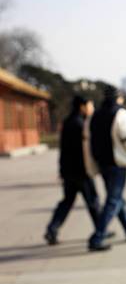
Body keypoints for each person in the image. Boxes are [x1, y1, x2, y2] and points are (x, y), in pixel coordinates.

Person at [85, 86, 126, 251]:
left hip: (102, 162)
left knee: (116, 197)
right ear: (118, 98)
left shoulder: (95, 115)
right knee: (113, 200)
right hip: (117, 164)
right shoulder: (122, 115)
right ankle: (97, 237)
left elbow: (87, 141)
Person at [44, 96, 101, 245]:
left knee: (67, 201)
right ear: (82, 106)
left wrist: (62, 170)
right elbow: (85, 150)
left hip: (69, 171)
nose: (91, 108)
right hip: (81, 171)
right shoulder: (80, 124)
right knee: (93, 201)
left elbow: (63, 150)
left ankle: (52, 228)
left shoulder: (68, 122)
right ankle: (101, 230)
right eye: (90, 105)